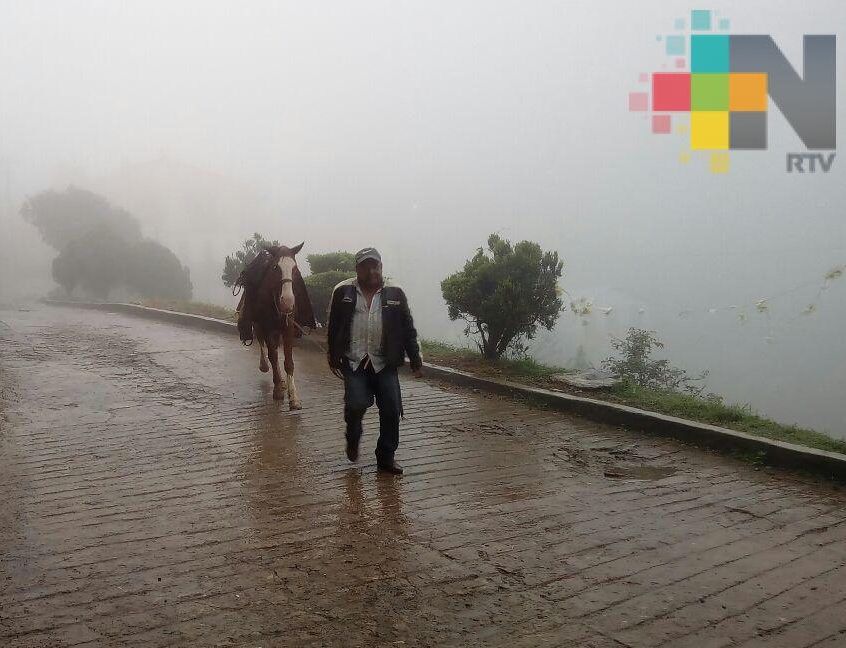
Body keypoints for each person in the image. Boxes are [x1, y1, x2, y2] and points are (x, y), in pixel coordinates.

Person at [326, 247, 423, 474]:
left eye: (375, 266)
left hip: (384, 362)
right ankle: (353, 437)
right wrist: (332, 355)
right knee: (356, 404)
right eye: (365, 266)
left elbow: (407, 328)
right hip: (354, 361)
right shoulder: (343, 291)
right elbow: (334, 326)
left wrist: (416, 360)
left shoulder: (395, 293)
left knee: (391, 409)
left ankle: (386, 457)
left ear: (381, 267)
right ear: (357, 269)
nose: (371, 271)